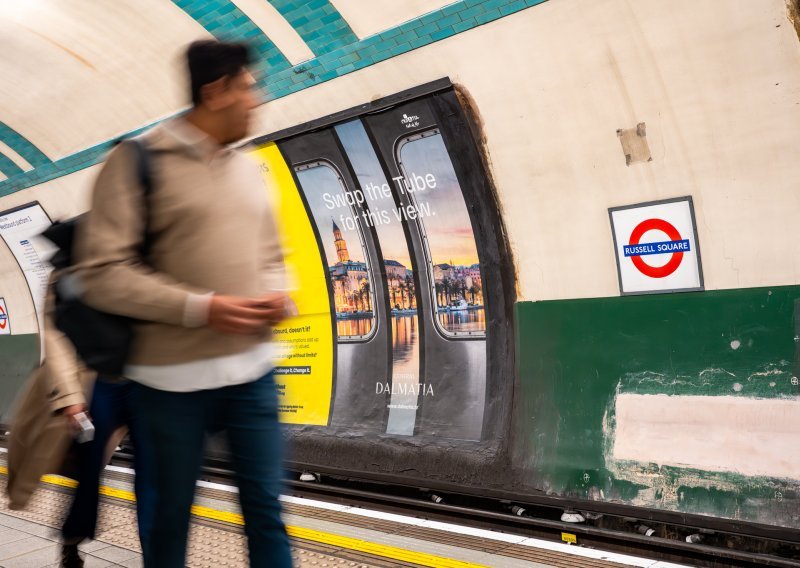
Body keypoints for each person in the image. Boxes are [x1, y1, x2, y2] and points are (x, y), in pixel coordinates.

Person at [74, 40, 293, 567]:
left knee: (267, 510)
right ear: (215, 91)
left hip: (253, 373)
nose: (257, 100)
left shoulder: (249, 167)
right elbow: (102, 274)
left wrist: (277, 289)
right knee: (169, 518)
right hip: (169, 383)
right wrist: (201, 307)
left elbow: (272, 254)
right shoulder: (137, 162)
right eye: (248, 88)